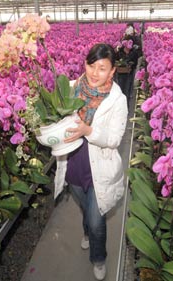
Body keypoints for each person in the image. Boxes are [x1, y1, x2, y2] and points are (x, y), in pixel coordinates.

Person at [54, 43, 128, 280]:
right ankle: (86, 232)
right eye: (91, 65)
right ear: (85, 64)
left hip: (101, 166)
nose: (96, 73)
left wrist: (88, 130)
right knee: (85, 209)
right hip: (74, 162)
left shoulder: (118, 100)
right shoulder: (71, 88)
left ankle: (98, 258)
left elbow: (115, 139)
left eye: (103, 68)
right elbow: (57, 119)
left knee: (97, 220)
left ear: (112, 71)